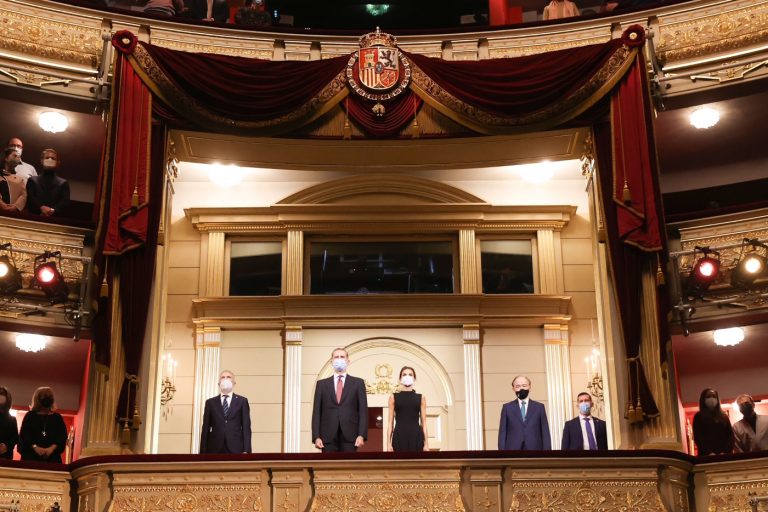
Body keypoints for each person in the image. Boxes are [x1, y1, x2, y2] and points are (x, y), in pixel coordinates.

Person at [311, 348, 368, 452]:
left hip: (351, 436)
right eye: (336, 357)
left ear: (348, 361)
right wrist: (316, 436)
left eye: (342, 357)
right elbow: (316, 412)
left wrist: (361, 435)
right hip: (327, 436)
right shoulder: (321, 384)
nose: (339, 359)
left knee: (349, 463)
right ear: (331, 361)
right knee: (328, 463)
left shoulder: (358, 383)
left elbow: (363, 412)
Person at [200, 370, 252, 453]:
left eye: (228, 377)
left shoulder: (242, 401)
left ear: (234, 383)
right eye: (223, 377)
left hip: (236, 447)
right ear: (218, 383)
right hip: (214, 448)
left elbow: (246, 428)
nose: (225, 379)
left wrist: (246, 450)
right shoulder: (210, 402)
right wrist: (202, 451)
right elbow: (205, 428)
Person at [498, 375, 551, 450]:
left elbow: (545, 431)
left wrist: (547, 451)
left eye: (524, 386)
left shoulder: (539, 407)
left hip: (535, 449)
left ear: (530, 387)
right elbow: (502, 432)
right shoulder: (507, 408)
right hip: (512, 449)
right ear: (513, 389)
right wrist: (501, 452)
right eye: (518, 386)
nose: (521, 388)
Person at [18, 387, 67, 463]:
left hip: (52, 459)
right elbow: (24, 435)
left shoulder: (57, 418)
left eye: (49, 396)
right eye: (44, 396)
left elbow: (62, 436)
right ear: (37, 399)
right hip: (31, 458)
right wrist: (35, 447)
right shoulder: (30, 416)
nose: (47, 398)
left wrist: (51, 449)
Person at [387, 366, 429, 452]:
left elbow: (424, 423)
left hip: (416, 436)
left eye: (410, 374)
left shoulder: (421, 398)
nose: (407, 376)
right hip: (399, 435)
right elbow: (390, 423)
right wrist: (388, 443)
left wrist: (426, 444)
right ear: (400, 379)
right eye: (404, 374)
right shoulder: (393, 397)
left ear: (414, 378)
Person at [26, 149, 70, 217]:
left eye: (53, 158)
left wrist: (52, 210)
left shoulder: (63, 183)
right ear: (41, 161)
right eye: (47, 157)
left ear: (57, 163)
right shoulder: (32, 180)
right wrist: (41, 207)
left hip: (54, 219)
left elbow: (65, 202)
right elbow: (30, 197)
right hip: (33, 218)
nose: (50, 160)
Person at [692, 388, 733, 455]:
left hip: (724, 456)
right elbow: (698, 438)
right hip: (706, 456)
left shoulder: (724, 416)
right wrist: (708, 453)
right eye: (708, 396)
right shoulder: (698, 417)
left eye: (714, 396)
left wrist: (725, 452)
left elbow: (730, 436)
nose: (712, 398)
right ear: (703, 399)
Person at [1, 147, 27, 212]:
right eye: (15, 156)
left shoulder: (20, 179)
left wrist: (16, 206)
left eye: (19, 157)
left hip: (14, 213)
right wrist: (2, 205)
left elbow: (23, 195)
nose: (18, 158)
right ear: (6, 158)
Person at [0, 386, 18, 460]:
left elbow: (15, 437)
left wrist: (6, 446)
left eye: (3, 394)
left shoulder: (12, 419)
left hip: (6, 455)